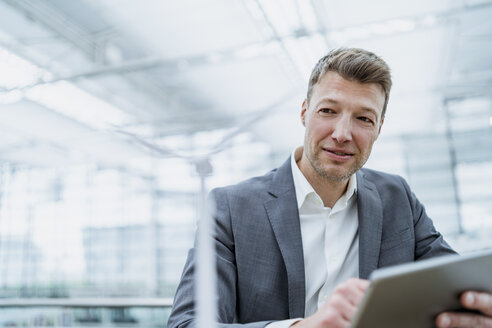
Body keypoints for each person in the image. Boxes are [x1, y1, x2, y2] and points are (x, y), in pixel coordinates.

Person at [168, 48, 492, 328]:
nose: (342, 133)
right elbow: (188, 323)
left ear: (379, 128)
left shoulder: (398, 198)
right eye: (328, 111)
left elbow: (461, 284)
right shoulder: (229, 208)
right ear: (305, 113)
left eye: (364, 119)